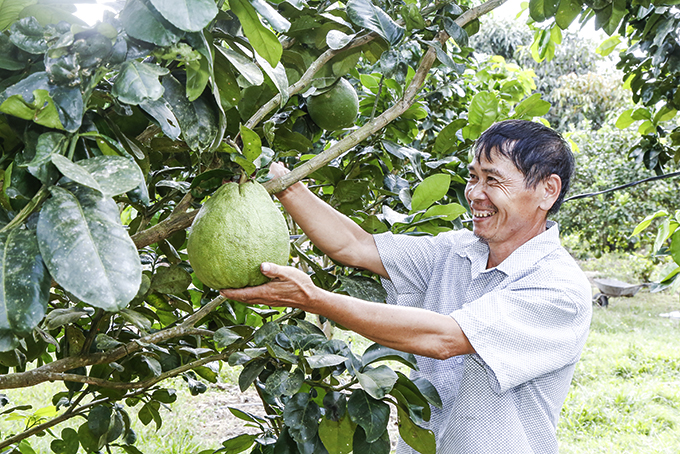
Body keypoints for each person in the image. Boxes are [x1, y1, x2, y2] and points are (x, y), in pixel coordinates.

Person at [221, 119, 593, 453]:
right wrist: (280, 183)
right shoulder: (454, 251)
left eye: (493, 180)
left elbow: (445, 339)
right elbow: (356, 246)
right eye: (473, 177)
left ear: (548, 190)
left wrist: (314, 300)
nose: (475, 193)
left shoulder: (558, 289)